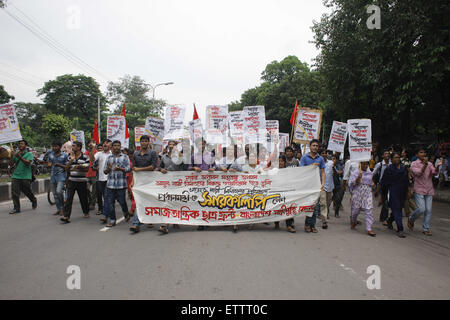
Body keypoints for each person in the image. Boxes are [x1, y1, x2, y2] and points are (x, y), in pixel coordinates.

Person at [407, 147, 442, 236]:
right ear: (417, 155)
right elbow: (418, 173)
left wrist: (437, 166)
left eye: (424, 152)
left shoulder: (430, 164)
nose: (423, 154)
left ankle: (426, 228)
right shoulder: (414, 164)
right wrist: (425, 165)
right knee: (422, 209)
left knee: (428, 210)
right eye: (421, 152)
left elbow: (434, 173)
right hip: (419, 189)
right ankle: (411, 218)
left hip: (429, 189)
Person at [129, 135, 159, 233]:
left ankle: (150, 219)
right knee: (139, 201)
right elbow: (134, 168)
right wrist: (133, 181)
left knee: (150, 200)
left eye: (146, 141)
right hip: (139, 182)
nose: (144, 143)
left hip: (150, 181)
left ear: (148, 143)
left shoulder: (153, 153)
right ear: (140, 142)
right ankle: (135, 224)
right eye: (143, 141)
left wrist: (140, 169)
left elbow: (153, 166)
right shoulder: (135, 154)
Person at [157, 140, 187, 234]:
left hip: (177, 183)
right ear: (167, 146)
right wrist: (161, 170)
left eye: (173, 145)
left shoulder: (180, 156)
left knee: (176, 202)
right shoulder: (163, 157)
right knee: (166, 202)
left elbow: (185, 167)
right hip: (166, 183)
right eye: (169, 144)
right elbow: (159, 167)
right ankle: (165, 224)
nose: (171, 146)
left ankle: (175, 220)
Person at [189, 138, 217, 231]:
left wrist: (213, 168)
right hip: (198, 182)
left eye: (203, 144)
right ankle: (201, 222)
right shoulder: (193, 156)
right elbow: (189, 167)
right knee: (200, 201)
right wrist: (194, 168)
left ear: (205, 145)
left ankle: (208, 220)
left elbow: (214, 165)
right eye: (199, 144)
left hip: (209, 181)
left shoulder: (211, 154)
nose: (202, 146)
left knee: (209, 200)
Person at [379, 152, 409, 238]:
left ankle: (389, 220)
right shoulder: (389, 169)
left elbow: (407, 181)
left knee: (399, 209)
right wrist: (382, 195)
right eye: (395, 157)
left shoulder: (403, 168)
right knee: (397, 210)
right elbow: (383, 182)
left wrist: (408, 191)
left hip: (402, 192)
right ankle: (400, 229)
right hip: (393, 191)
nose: (397, 159)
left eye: (398, 157)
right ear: (391, 159)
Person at [102, 140, 131, 227]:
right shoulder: (109, 157)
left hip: (121, 184)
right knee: (110, 203)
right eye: (115, 145)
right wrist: (108, 168)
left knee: (122, 202)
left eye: (118, 145)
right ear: (112, 147)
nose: (116, 147)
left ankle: (126, 212)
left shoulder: (125, 157)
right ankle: (112, 220)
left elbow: (129, 168)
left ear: (120, 146)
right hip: (110, 184)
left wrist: (120, 169)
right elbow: (105, 171)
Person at [299, 139, 325, 233]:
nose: (315, 147)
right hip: (307, 185)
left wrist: (323, 183)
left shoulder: (320, 158)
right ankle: (307, 225)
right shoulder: (304, 157)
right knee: (309, 205)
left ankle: (312, 225)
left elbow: (322, 172)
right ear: (310, 147)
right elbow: (301, 171)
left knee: (315, 205)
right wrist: (312, 165)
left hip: (316, 185)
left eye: (317, 146)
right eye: (313, 145)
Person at [60, 141, 90, 223]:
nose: (72, 147)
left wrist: (78, 167)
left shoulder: (85, 157)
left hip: (82, 181)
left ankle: (86, 211)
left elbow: (87, 168)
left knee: (83, 198)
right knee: (69, 198)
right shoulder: (70, 156)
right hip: (71, 180)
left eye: (74, 146)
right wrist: (71, 161)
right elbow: (66, 168)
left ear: (79, 147)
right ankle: (66, 216)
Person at [9, 140, 37, 214]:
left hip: (25, 176)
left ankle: (33, 200)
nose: (20, 145)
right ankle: (16, 208)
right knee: (14, 193)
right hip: (16, 175)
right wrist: (12, 156)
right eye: (19, 144)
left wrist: (20, 157)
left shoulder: (29, 154)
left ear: (25, 145)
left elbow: (27, 163)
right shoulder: (16, 154)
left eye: (22, 144)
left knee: (27, 191)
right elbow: (11, 164)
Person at [349, 161, 376, 237]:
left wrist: (373, 184)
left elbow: (372, 181)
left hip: (367, 193)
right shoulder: (356, 172)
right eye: (363, 164)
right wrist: (358, 178)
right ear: (360, 164)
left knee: (368, 210)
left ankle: (369, 228)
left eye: (366, 164)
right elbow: (351, 183)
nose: (365, 165)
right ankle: (353, 220)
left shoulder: (370, 173)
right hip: (358, 193)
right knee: (355, 210)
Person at [273, 147, 297, 233]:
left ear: (285, 162)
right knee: (277, 207)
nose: (280, 163)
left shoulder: (288, 171)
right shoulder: (274, 171)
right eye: (279, 161)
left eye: (282, 161)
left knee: (288, 207)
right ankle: (276, 223)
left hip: (287, 192)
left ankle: (289, 225)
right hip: (277, 192)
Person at [47, 141, 69, 216]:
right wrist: (48, 165)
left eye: (56, 146)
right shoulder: (50, 155)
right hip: (53, 176)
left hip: (61, 176)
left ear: (60, 147)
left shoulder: (65, 155)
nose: (54, 148)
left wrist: (59, 165)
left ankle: (62, 208)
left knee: (59, 191)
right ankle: (58, 209)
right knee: (55, 194)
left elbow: (67, 166)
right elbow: (49, 164)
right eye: (53, 146)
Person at [91, 139, 112, 217]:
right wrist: (93, 148)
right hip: (101, 178)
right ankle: (107, 210)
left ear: (110, 145)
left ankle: (106, 213)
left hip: (110, 178)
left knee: (107, 196)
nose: (105, 145)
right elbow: (92, 160)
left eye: (107, 143)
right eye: (104, 143)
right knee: (104, 195)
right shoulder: (99, 154)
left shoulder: (112, 154)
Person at [373, 150, 392, 226]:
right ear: (383, 156)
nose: (387, 155)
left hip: (390, 185)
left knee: (386, 201)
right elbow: (373, 173)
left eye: (388, 154)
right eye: (385, 154)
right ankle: (384, 218)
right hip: (381, 185)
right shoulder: (379, 165)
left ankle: (383, 217)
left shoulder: (391, 164)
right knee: (385, 201)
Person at [320, 149, 334, 227]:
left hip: (330, 186)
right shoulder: (318, 163)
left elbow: (336, 173)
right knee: (323, 203)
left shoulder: (331, 163)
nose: (324, 154)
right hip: (322, 186)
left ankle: (325, 213)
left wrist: (334, 168)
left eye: (325, 153)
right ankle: (324, 221)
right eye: (322, 153)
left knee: (328, 202)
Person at [85, 139, 98, 211]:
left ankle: (92, 203)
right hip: (87, 173)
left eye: (92, 143)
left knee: (94, 190)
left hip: (94, 173)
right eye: (90, 143)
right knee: (86, 189)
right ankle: (90, 200)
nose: (91, 144)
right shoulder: (85, 153)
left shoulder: (97, 153)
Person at [331, 154, 344, 218]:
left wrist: (333, 168)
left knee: (338, 198)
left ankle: (337, 212)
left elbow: (339, 172)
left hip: (338, 184)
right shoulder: (328, 165)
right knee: (331, 198)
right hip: (331, 184)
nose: (333, 160)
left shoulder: (339, 165)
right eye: (332, 159)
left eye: (334, 159)